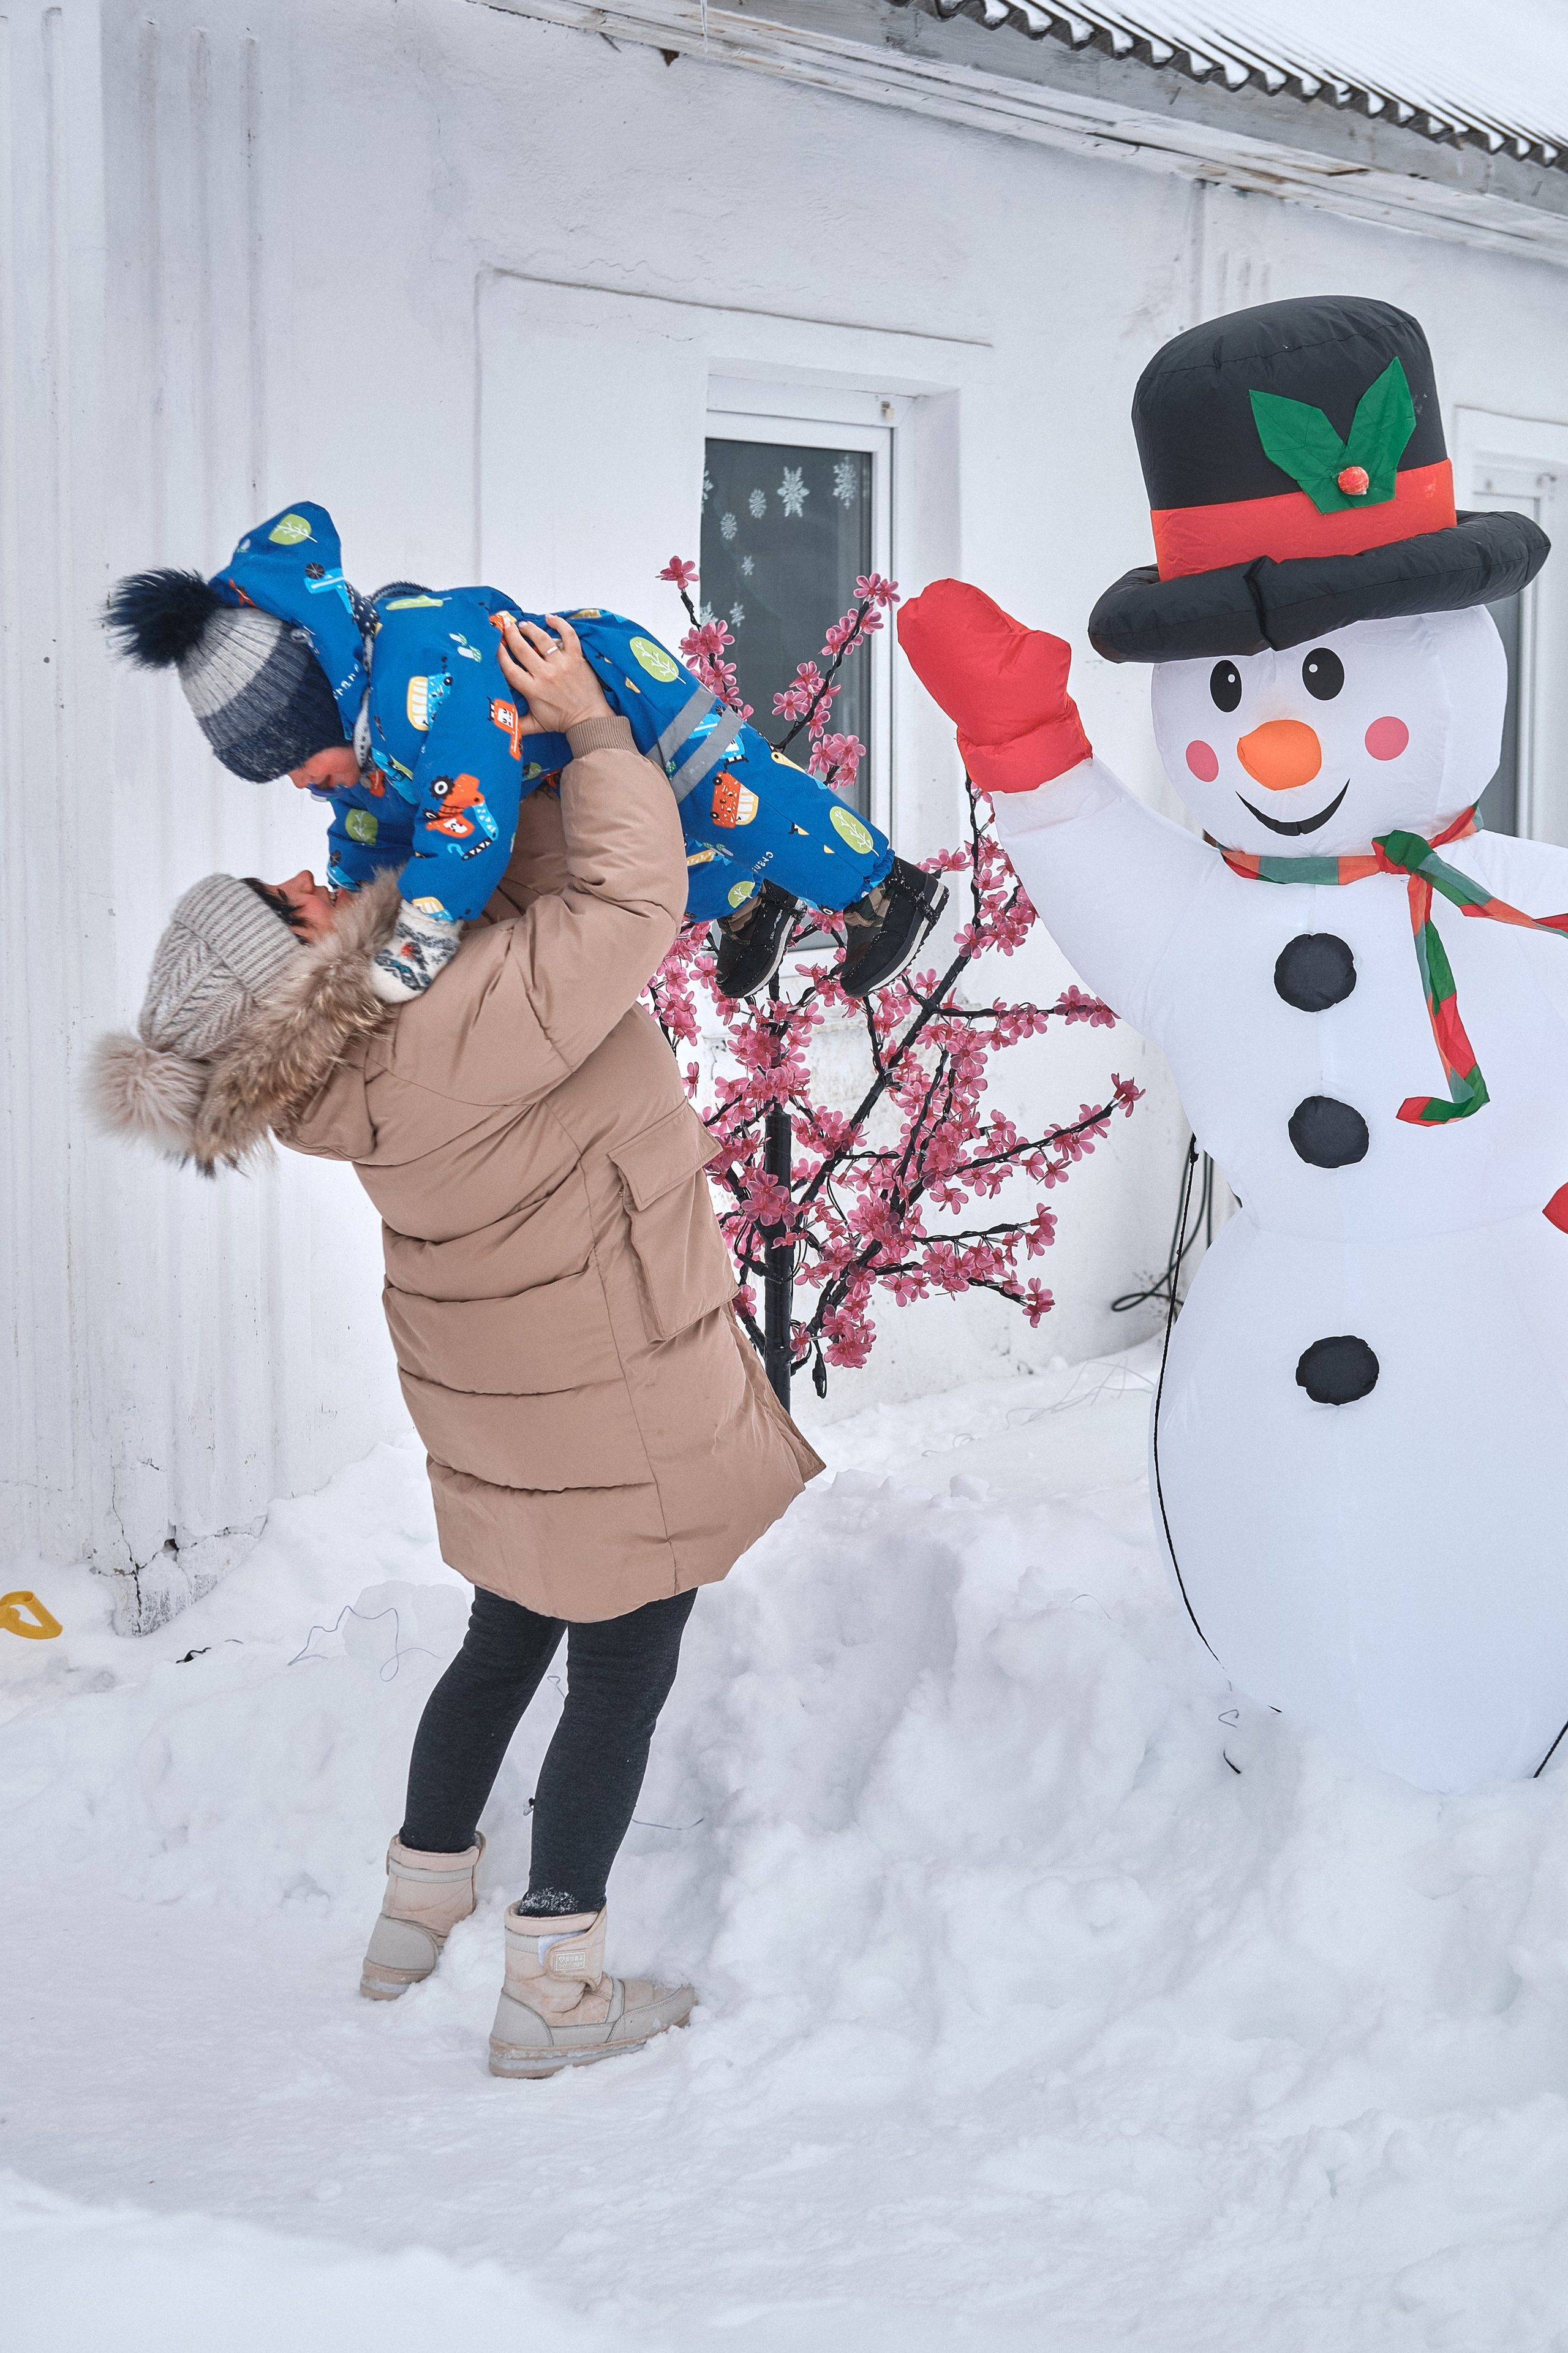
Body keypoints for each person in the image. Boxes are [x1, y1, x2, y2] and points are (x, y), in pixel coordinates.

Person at [92, 615, 823, 2078]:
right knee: (625, 1652)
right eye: (288, 903)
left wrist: (507, 771)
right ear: (287, 982)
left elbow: (517, 925)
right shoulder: (429, 1029)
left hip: (512, 1392)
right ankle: (554, 1986)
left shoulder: (365, 1048)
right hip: (601, 1377)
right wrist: (595, 732)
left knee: (505, 1636)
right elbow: (620, 911)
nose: (313, 878)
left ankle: (412, 1918)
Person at [104, 500, 947, 1003]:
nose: (299, 782)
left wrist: (423, 930)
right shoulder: (361, 752)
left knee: (731, 795)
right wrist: (362, 915)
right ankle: (747, 901)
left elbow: (468, 816)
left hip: (619, 686)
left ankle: (883, 887)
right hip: (566, 750)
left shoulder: (416, 667)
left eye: (293, 759)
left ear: (318, 710)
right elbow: (372, 836)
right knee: (655, 844)